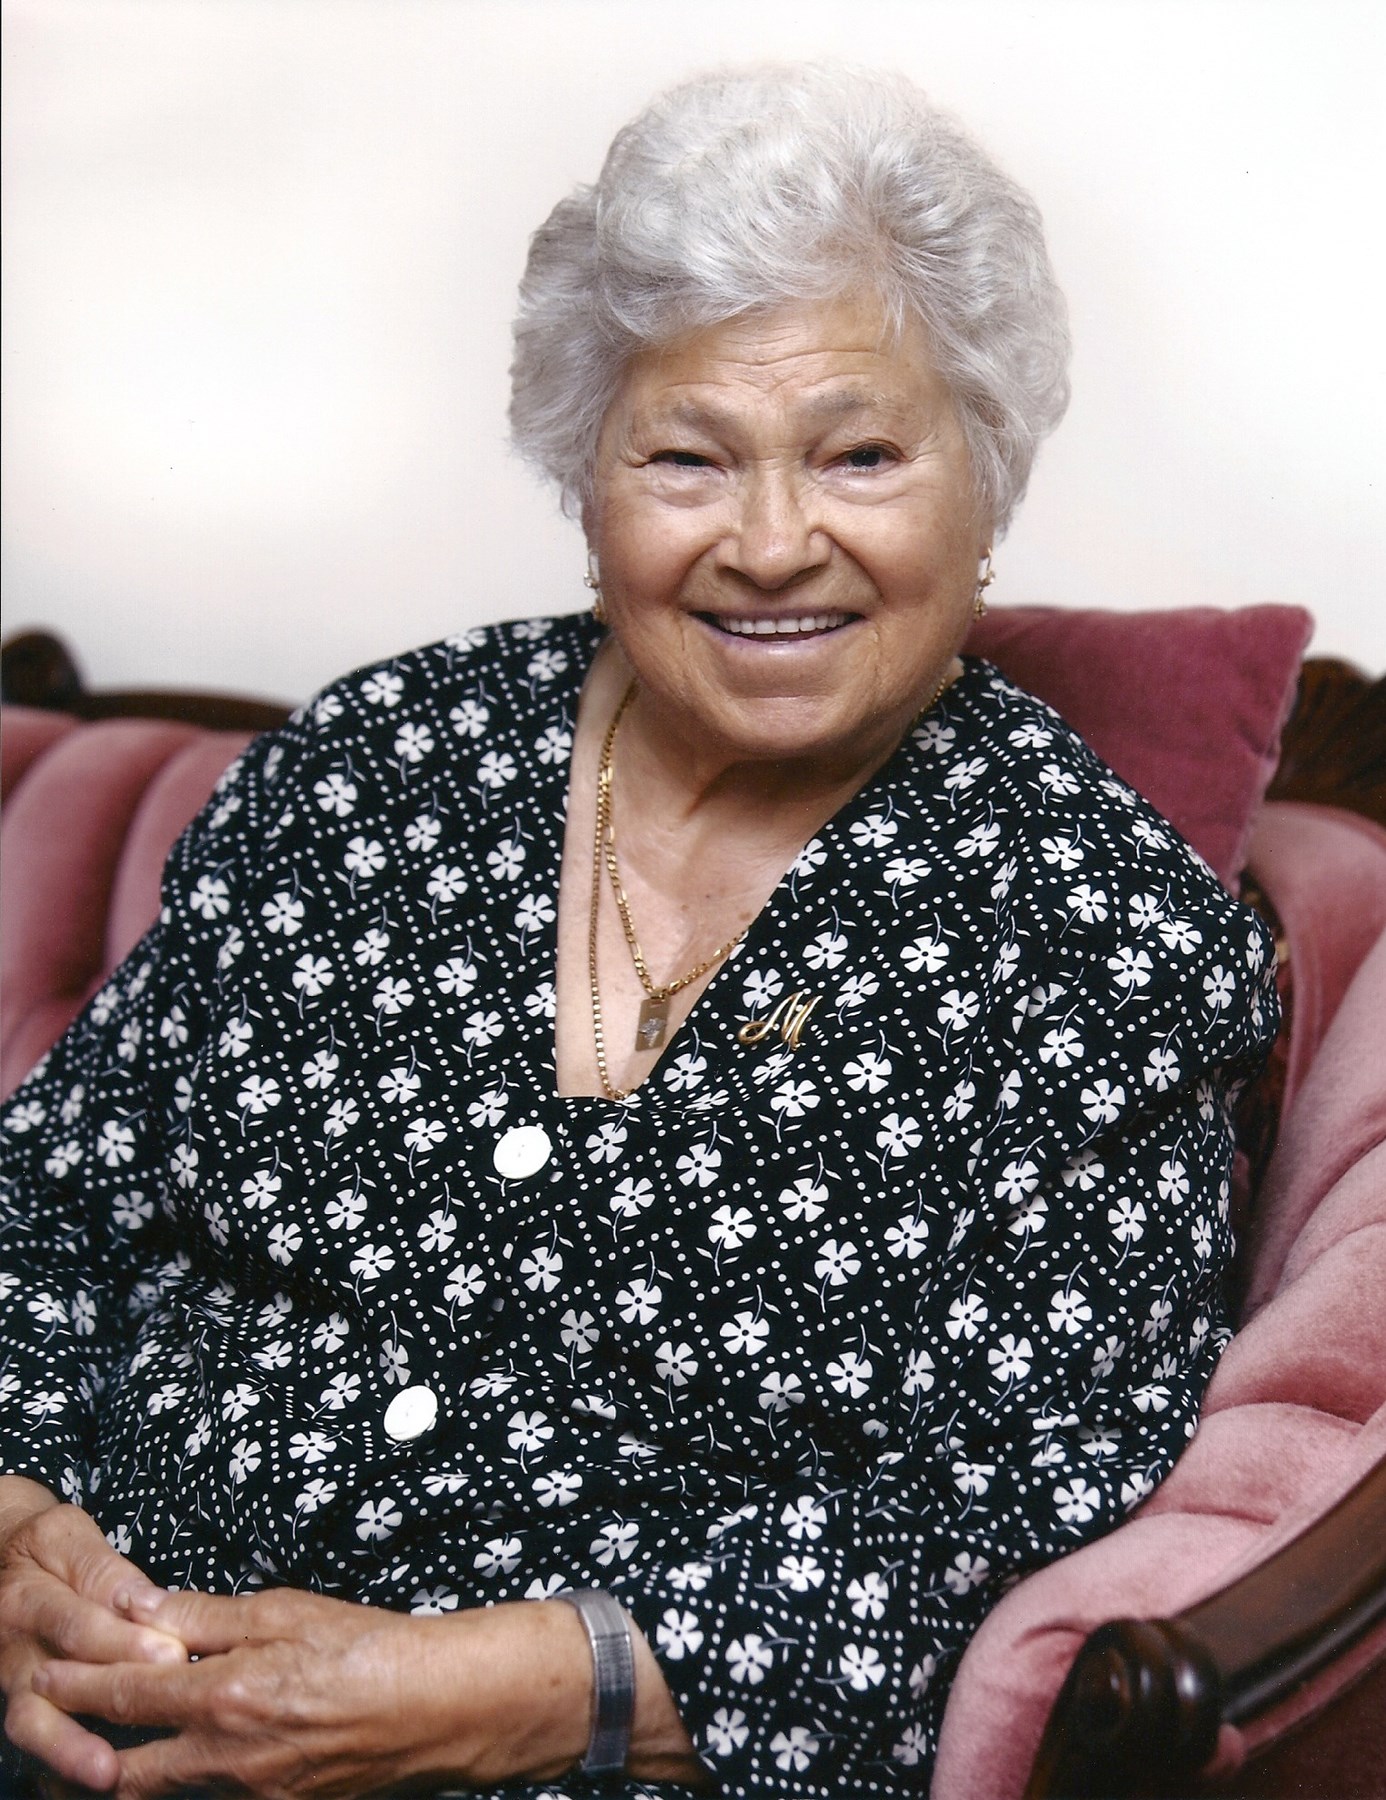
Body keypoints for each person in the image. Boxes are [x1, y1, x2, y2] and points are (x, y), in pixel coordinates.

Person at [0, 62, 1277, 1798]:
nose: (771, 543)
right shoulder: (375, 764)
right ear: (583, 479)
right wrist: (16, 1525)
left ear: (983, 482)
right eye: (685, 457)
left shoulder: (1093, 937)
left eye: (860, 454)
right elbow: (47, 1199)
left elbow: (1014, 1512)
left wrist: (530, 1689)